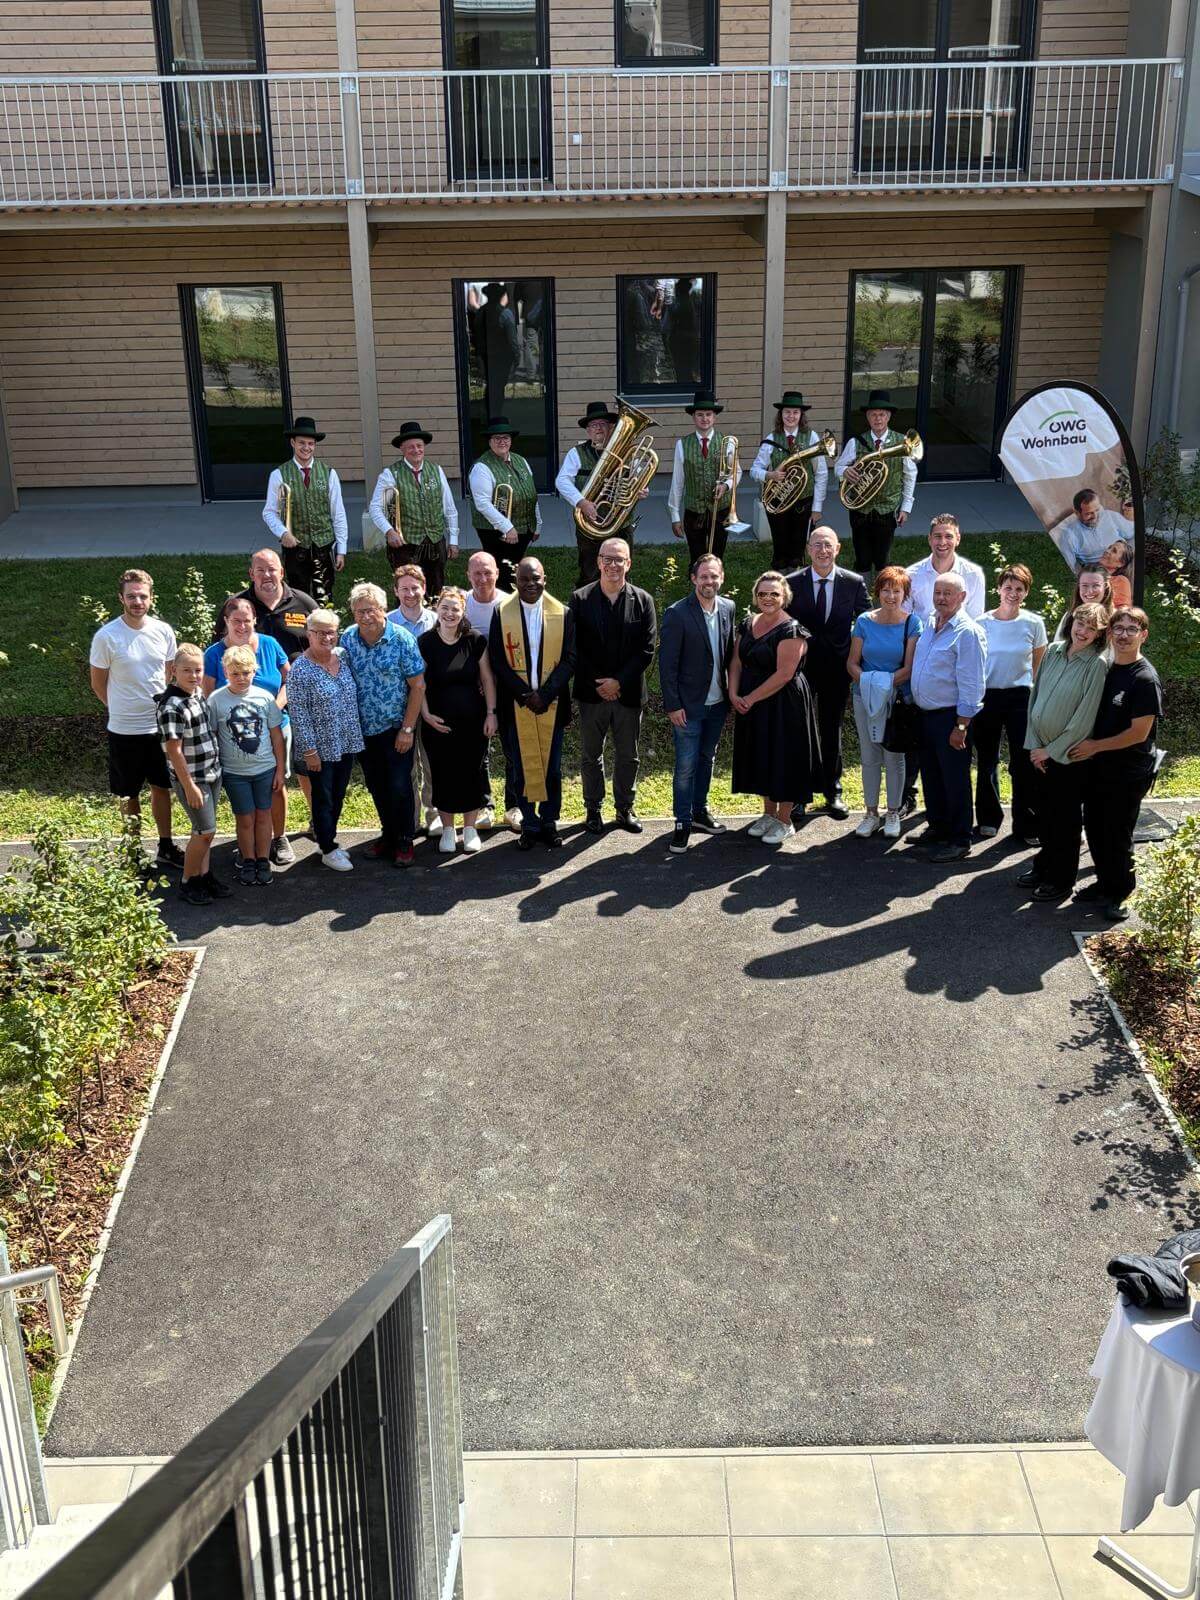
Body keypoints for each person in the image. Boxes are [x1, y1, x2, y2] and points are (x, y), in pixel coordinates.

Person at [1067, 607, 1163, 921]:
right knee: (1096, 828)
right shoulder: (1106, 668)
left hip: (1127, 772)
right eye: (1118, 628)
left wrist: (1095, 746)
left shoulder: (1144, 678)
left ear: (1143, 635)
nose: (1123, 635)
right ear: (1109, 633)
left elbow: (1138, 733)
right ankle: (1105, 883)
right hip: (1098, 767)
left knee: (1118, 834)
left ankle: (1121, 893)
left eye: (1131, 629)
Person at [1014, 602, 1109, 903]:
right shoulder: (1054, 651)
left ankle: (1060, 879)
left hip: (1068, 757)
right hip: (1038, 751)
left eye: (1091, 628)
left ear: (1099, 634)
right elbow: (1035, 696)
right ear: (1071, 623)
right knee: (1044, 816)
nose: (1083, 631)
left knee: (1064, 822)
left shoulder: (1096, 664)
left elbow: (1084, 719)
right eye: (1080, 623)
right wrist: (1034, 745)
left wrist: (1050, 752)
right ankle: (1043, 866)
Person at [89, 568, 182, 870]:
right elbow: (98, 684)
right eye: (131, 596)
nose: (137, 601)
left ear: (151, 598)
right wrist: (119, 707)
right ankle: (133, 852)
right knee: (128, 793)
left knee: (162, 787)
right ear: (121, 598)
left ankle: (166, 846)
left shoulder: (163, 631)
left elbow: (168, 673)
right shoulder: (107, 637)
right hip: (123, 730)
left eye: (142, 596)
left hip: (159, 727)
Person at [570, 537, 657, 836]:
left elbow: (647, 649)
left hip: (628, 693)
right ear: (598, 562)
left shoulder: (643, 600)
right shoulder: (580, 599)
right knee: (590, 755)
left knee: (628, 755)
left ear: (628, 563)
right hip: (592, 693)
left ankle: (624, 808)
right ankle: (593, 809)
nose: (613, 564)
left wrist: (618, 681)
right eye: (607, 558)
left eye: (619, 559)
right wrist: (602, 683)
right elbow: (575, 647)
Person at [488, 557, 577, 849]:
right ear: (516, 581)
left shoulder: (562, 613)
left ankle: (549, 822)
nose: (530, 584)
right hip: (518, 705)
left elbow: (570, 659)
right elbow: (498, 659)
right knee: (522, 767)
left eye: (535, 578)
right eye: (524, 579)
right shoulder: (502, 612)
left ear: (544, 580)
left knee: (552, 768)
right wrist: (525, 695)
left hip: (552, 702)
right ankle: (529, 823)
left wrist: (546, 694)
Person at [729, 572, 821, 845]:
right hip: (752, 700)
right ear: (755, 596)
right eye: (762, 594)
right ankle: (768, 814)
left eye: (774, 594)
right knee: (762, 754)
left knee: (785, 756)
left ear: (785, 597)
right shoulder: (748, 623)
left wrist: (750, 698)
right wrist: (733, 693)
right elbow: (736, 661)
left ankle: (784, 819)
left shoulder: (792, 629)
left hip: (784, 702)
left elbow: (784, 674)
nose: (767, 598)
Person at [785, 526, 870, 821]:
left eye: (828, 545)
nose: (823, 550)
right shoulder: (792, 582)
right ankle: (800, 794)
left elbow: (866, 622)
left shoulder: (854, 583)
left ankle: (832, 791)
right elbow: (784, 624)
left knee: (832, 729)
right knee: (801, 730)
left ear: (838, 549)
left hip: (837, 669)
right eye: (817, 545)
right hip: (801, 670)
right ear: (808, 549)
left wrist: (857, 658)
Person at [203, 594, 295, 865]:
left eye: (247, 620)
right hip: (234, 735)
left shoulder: (269, 644)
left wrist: (275, 708)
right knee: (245, 800)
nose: (242, 626)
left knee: (276, 785)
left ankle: (279, 838)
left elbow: (289, 679)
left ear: (255, 620)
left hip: (275, 725)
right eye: (236, 621)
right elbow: (208, 697)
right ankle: (250, 847)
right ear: (226, 621)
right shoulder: (214, 654)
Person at [340, 582, 426, 869]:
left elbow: (418, 686)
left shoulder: (401, 639)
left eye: (371, 610)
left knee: (400, 785)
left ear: (383, 609)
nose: (365, 616)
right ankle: (388, 835)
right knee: (376, 785)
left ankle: (405, 840)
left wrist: (407, 729)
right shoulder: (348, 639)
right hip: (363, 731)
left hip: (396, 729)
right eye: (359, 611)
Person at [907, 573, 986, 864]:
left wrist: (961, 726)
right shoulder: (930, 622)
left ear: (962, 597)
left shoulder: (968, 633)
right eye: (937, 592)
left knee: (955, 779)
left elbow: (972, 685)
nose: (941, 598)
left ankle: (960, 839)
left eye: (948, 593)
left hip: (951, 718)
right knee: (931, 775)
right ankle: (938, 827)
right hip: (925, 716)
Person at [659, 554, 735, 854]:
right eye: (704, 576)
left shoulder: (728, 608)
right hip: (688, 707)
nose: (709, 581)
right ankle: (682, 821)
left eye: (714, 576)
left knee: (707, 760)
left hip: (717, 703)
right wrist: (673, 705)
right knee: (686, 766)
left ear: (722, 578)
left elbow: (729, 654)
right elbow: (667, 666)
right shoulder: (677, 613)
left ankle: (700, 811)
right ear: (693, 579)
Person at [419, 588, 499, 856]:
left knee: (471, 774)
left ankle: (470, 829)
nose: (450, 613)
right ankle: (448, 830)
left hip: (473, 723)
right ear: (437, 608)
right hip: (437, 724)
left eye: (455, 608)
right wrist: (426, 715)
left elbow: (486, 678)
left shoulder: (474, 639)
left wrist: (491, 712)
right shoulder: (425, 642)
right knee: (442, 775)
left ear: (463, 611)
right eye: (445, 607)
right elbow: (419, 683)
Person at [846, 567, 921, 840]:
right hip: (864, 697)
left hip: (897, 700)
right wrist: (870, 685)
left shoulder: (912, 623)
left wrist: (883, 686)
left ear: (905, 594)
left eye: (896, 591)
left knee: (894, 757)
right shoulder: (864, 621)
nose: (891, 596)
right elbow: (852, 663)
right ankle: (870, 813)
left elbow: (909, 668)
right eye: (886, 590)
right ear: (878, 592)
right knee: (869, 756)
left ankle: (892, 812)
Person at [286, 610, 365, 872]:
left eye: (331, 632)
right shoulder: (300, 670)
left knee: (338, 795)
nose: (326, 637)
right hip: (320, 748)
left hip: (346, 741)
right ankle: (328, 849)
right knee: (323, 798)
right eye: (319, 632)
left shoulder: (342, 657)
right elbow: (299, 714)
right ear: (308, 634)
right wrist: (309, 751)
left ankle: (326, 840)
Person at [974, 564, 1047, 845]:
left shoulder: (1034, 623)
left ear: (1026, 592)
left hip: (1021, 698)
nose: (1013, 593)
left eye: (1019, 589)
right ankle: (988, 819)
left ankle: (1027, 825)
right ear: (998, 589)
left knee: (1023, 762)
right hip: (988, 696)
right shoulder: (982, 623)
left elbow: (1038, 667)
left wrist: (1035, 698)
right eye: (1008, 587)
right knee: (987, 760)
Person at [155, 644, 228, 906]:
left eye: (198, 670)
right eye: (187, 670)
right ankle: (188, 881)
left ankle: (204, 875)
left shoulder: (196, 694)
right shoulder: (171, 706)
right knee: (204, 830)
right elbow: (174, 751)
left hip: (211, 773)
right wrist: (189, 787)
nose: (194, 675)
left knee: (206, 832)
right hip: (193, 779)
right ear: (174, 671)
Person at [208, 644, 286, 888]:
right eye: (235, 674)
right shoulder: (216, 700)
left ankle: (263, 860)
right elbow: (212, 736)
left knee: (263, 815)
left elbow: (276, 736)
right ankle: (248, 859)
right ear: (225, 672)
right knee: (244, 819)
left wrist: (280, 769)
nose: (241, 678)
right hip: (234, 773)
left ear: (254, 671)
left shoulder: (265, 698)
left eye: (246, 673)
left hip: (265, 769)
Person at [261, 416, 348, 606]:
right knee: (297, 595)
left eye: (310, 443)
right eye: (301, 443)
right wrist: (283, 533)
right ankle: (301, 625)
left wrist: (341, 549)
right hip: (295, 547)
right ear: (293, 443)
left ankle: (325, 623)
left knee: (324, 594)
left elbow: (338, 513)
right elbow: (269, 512)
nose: (306, 448)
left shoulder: (329, 473)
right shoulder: (278, 474)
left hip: (323, 545)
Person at [368, 421, 459, 596]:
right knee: (408, 591)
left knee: (436, 589)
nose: (416, 450)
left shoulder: (436, 470)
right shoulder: (391, 474)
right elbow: (375, 508)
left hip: (435, 542)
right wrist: (389, 531)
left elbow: (449, 507)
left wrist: (453, 539)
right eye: (411, 447)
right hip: (406, 545)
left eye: (419, 446)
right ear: (402, 448)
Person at [833, 389, 916, 576]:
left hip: (887, 509)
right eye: (873, 415)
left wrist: (905, 508)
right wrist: (845, 471)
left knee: (882, 559)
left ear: (889, 417)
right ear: (867, 417)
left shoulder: (902, 442)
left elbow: (910, 475)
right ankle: (862, 591)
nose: (878, 419)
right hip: (860, 509)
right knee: (862, 557)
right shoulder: (856, 442)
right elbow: (838, 466)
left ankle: (882, 591)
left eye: (882, 414)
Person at [465, 552, 521, 831]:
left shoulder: (510, 604)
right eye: (477, 573)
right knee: (479, 752)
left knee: (513, 749)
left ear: (497, 573)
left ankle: (514, 806)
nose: (483, 578)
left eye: (488, 572)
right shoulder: (461, 604)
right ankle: (484, 806)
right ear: (468, 575)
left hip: (508, 688)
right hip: (474, 690)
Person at [556, 401, 639, 588]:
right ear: (588, 430)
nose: (599, 428)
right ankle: (587, 601)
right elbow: (561, 481)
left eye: (603, 424)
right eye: (594, 425)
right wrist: (581, 502)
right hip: (590, 522)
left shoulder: (626, 451)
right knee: (590, 569)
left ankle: (620, 601)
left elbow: (638, 476)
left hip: (620, 521)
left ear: (611, 427)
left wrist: (639, 489)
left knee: (621, 568)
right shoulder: (576, 453)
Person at [386, 564, 439, 836]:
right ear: (396, 591)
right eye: (404, 588)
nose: (410, 593)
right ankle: (412, 817)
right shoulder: (387, 624)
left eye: (415, 588)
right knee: (406, 766)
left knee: (431, 762)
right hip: (400, 705)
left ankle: (434, 815)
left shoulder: (436, 621)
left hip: (432, 702)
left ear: (424, 588)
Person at [750, 391, 828, 571]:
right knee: (780, 547)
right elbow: (754, 470)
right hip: (778, 502)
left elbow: (822, 473)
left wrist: (817, 508)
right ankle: (779, 582)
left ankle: (796, 581)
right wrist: (770, 475)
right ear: (781, 414)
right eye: (787, 412)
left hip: (803, 501)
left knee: (798, 549)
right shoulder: (771, 439)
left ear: (801, 415)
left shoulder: (812, 437)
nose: (791, 416)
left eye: (795, 412)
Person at [668, 390, 741, 565]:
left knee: (718, 553)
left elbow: (736, 472)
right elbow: (677, 481)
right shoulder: (682, 444)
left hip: (721, 508)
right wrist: (675, 515)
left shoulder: (728, 442)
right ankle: (696, 579)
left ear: (714, 417)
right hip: (694, 510)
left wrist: (726, 485)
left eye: (708, 414)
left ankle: (715, 579)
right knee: (696, 555)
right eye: (700, 414)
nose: (704, 418)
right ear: (693, 417)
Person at [467, 417, 541, 589]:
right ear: (489, 441)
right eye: (496, 438)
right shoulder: (482, 467)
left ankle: (514, 598)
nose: (502, 441)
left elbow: (531, 493)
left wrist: (538, 523)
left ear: (511, 440)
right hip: (494, 531)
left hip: (522, 527)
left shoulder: (520, 460)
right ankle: (498, 602)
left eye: (506, 437)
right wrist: (507, 528)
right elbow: (482, 504)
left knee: (515, 569)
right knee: (501, 574)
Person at [234, 549, 318, 661]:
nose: (266, 575)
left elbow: (324, 641)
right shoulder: (236, 606)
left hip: (298, 671)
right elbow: (221, 646)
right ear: (252, 574)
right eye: (260, 570)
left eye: (272, 569)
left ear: (281, 573)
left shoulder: (304, 603)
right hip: (250, 671)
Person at [905, 514, 986, 622]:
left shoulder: (974, 575)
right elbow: (902, 618)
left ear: (958, 539)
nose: (942, 542)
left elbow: (976, 621)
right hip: (921, 632)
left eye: (948, 536)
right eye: (938, 536)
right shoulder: (911, 575)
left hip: (959, 632)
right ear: (930, 539)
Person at [1057, 489, 1134, 572]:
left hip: (1127, 562)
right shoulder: (1069, 535)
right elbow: (1068, 568)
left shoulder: (1109, 516)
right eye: (1089, 513)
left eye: (1097, 510)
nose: (1095, 516)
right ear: (1076, 513)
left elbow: (1132, 531)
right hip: (1102, 572)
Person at [1054, 566, 1114, 641]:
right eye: (1084, 585)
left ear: (1105, 587)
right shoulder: (1069, 616)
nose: (1090, 591)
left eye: (1096, 585)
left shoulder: (1116, 619)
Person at [1100, 539, 1134, 607]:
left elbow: (1123, 609)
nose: (1107, 551)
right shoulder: (1090, 573)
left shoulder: (1121, 581)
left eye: (1114, 551)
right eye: (1109, 548)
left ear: (1121, 563)